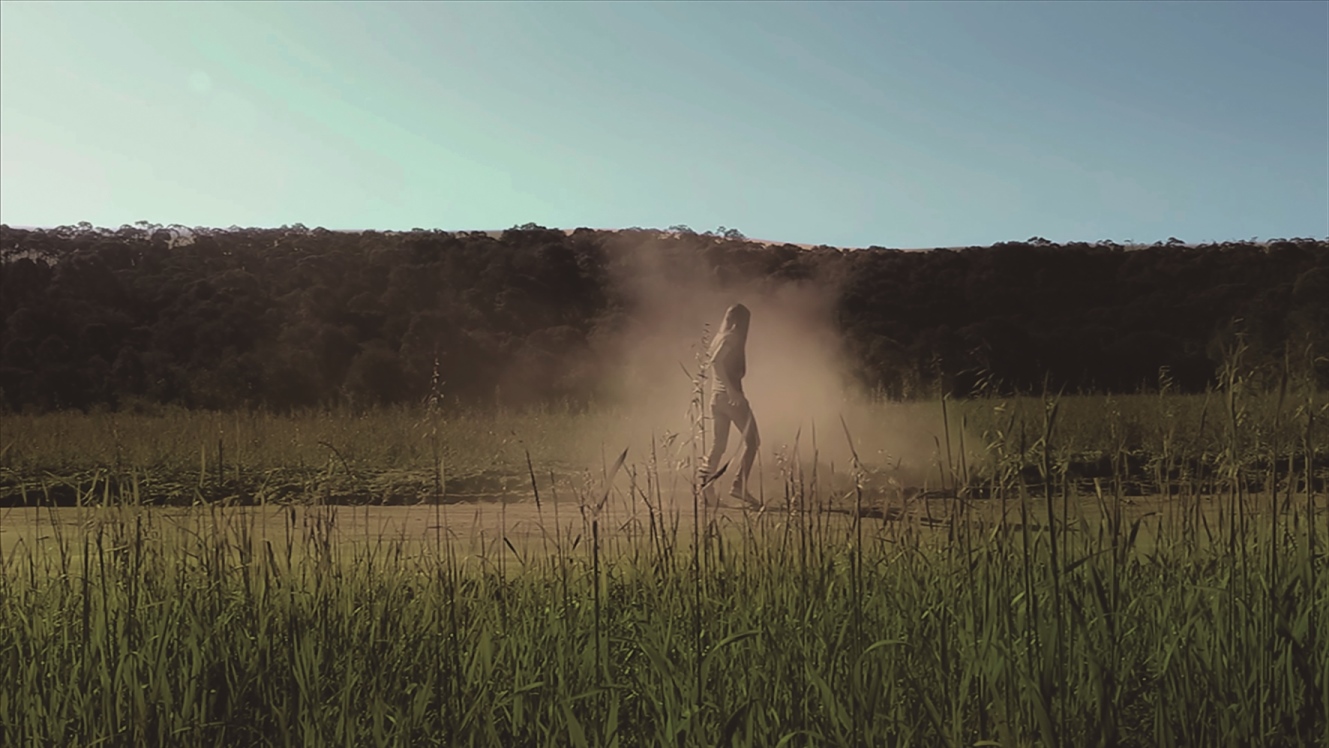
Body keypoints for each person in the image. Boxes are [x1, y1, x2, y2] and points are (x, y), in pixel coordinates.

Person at [702, 303, 761, 507]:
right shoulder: (733, 337)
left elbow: (714, 362)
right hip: (731, 399)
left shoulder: (719, 337)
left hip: (716, 399)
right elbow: (716, 362)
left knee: (718, 445)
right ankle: (739, 485)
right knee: (753, 441)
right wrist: (732, 390)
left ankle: (706, 487)